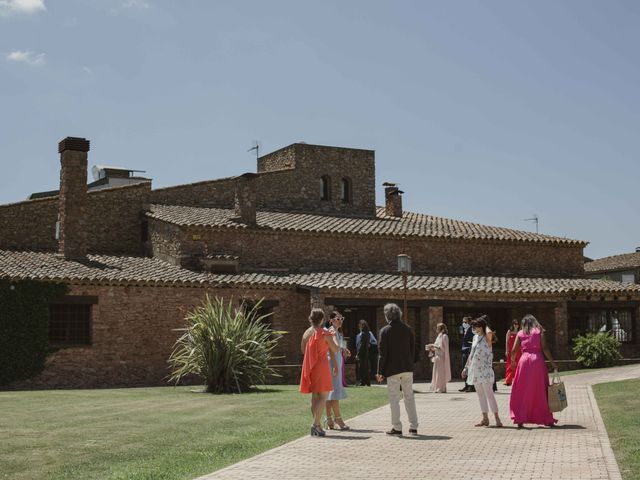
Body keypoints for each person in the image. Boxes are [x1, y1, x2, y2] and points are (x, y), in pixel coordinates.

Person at [376, 303, 419, 436]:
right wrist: (411, 362)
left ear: (387, 315)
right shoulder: (408, 329)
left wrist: (380, 371)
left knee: (394, 398)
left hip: (392, 369)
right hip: (407, 368)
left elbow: (382, 354)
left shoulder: (385, 331)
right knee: (409, 397)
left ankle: (397, 427)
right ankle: (413, 426)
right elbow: (413, 349)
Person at [509, 314, 558, 428]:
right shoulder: (539, 331)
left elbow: (513, 350)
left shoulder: (520, 333)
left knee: (521, 390)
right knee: (540, 389)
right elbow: (545, 348)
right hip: (537, 360)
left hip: (524, 361)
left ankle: (520, 418)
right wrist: (552, 362)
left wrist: (512, 362)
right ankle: (546, 418)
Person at [299, 308, 340, 437]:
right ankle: (315, 424)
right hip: (321, 367)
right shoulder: (325, 333)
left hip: (310, 366)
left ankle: (317, 425)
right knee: (323, 397)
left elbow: (302, 350)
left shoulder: (306, 333)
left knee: (315, 398)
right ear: (322, 319)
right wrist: (334, 335)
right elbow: (336, 349)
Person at [462, 317, 503, 427]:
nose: (474, 328)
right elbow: (472, 354)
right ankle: (485, 418)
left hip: (485, 370)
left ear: (482, 327)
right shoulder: (475, 337)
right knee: (480, 395)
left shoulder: (487, 337)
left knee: (489, 394)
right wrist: (466, 368)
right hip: (475, 370)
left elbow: (489, 332)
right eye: (473, 326)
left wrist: (484, 323)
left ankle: (497, 418)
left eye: (476, 326)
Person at [325, 311, 351, 430]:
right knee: (334, 392)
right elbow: (334, 346)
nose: (340, 321)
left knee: (330, 393)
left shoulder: (337, 331)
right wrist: (341, 348)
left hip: (335, 362)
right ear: (331, 320)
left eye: (342, 318)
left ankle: (329, 419)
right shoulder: (331, 330)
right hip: (332, 363)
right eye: (338, 318)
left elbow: (339, 345)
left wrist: (344, 349)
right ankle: (338, 419)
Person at [426, 323, 451, 393]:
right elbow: (437, 346)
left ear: (441, 329)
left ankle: (442, 388)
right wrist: (431, 347)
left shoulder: (444, 336)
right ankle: (437, 387)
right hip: (437, 356)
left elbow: (444, 348)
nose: (436, 329)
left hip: (441, 357)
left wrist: (435, 346)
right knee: (436, 373)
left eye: (438, 328)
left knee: (441, 373)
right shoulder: (438, 336)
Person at [356, 319, 377, 386]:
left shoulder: (363, 334)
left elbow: (361, 345)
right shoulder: (367, 333)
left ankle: (363, 382)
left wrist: (358, 354)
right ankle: (367, 382)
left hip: (363, 353)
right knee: (366, 368)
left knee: (362, 368)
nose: (359, 327)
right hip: (367, 352)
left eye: (360, 325)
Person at [458, 316, 475, 392]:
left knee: (469, 369)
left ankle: (471, 386)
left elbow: (472, 341)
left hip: (469, 351)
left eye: (465, 322)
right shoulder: (464, 330)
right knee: (464, 369)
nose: (463, 324)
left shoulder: (471, 330)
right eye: (463, 322)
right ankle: (466, 385)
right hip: (464, 351)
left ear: (469, 322)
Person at [504, 319, 521, 386]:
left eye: (517, 324)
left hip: (518, 351)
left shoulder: (520, 332)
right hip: (510, 351)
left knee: (518, 365)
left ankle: (518, 380)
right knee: (509, 365)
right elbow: (506, 341)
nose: (516, 325)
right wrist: (506, 350)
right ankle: (508, 380)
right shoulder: (509, 332)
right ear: (512, 324)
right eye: (515, 324)